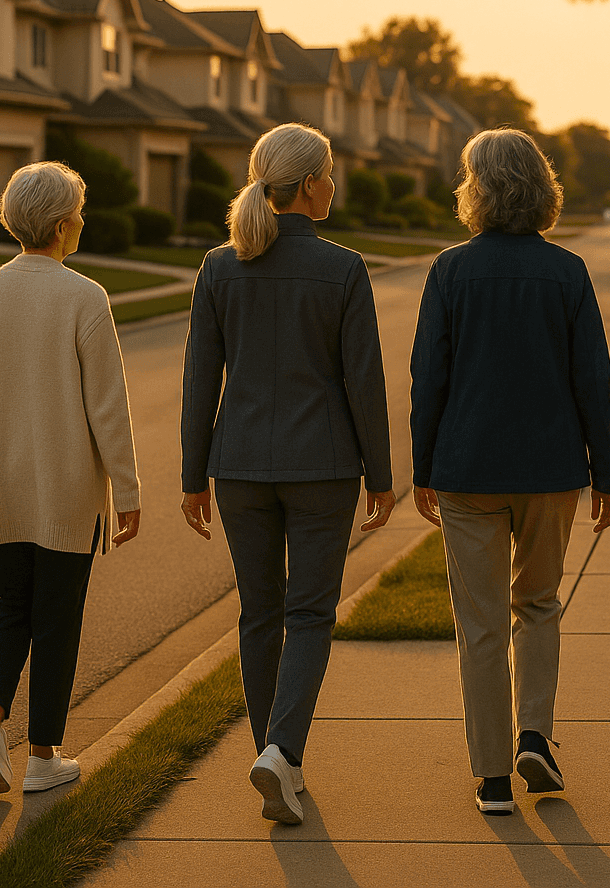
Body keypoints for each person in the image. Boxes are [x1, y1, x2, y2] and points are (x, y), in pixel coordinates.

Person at [180, 122, 395, 825]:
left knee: (259, 614)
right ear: (308, 185)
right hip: (323, 467)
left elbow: (198, 380)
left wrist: (192, 475)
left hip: (238, 465)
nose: (334, 185)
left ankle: (278, 761)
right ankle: (282, 753)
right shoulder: (344, 268)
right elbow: (364, 381)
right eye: (329, 174)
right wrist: (381, 473)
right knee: (309, 613)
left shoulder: (218, 267)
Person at [410, 128, 610, 816]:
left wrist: (423, 467)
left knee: (479, 626)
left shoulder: (449, 271)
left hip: (467, 470)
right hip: (550, 471)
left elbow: (427, 381)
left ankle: (493, 777)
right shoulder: (567, 272)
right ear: (542, 187)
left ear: (476, 189)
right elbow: (594, 380)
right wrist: (607, 475)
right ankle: (536, 733)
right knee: (537, 604)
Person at [0, 161, 141, 796]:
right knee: (58, 620)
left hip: (1, 489)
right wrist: (128, 491)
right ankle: (42, 758)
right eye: (78, 214)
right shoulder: (84, 296)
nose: (81, 224)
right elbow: (107, 407)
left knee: (12, 610)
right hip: (65, 494)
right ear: (62, 225)